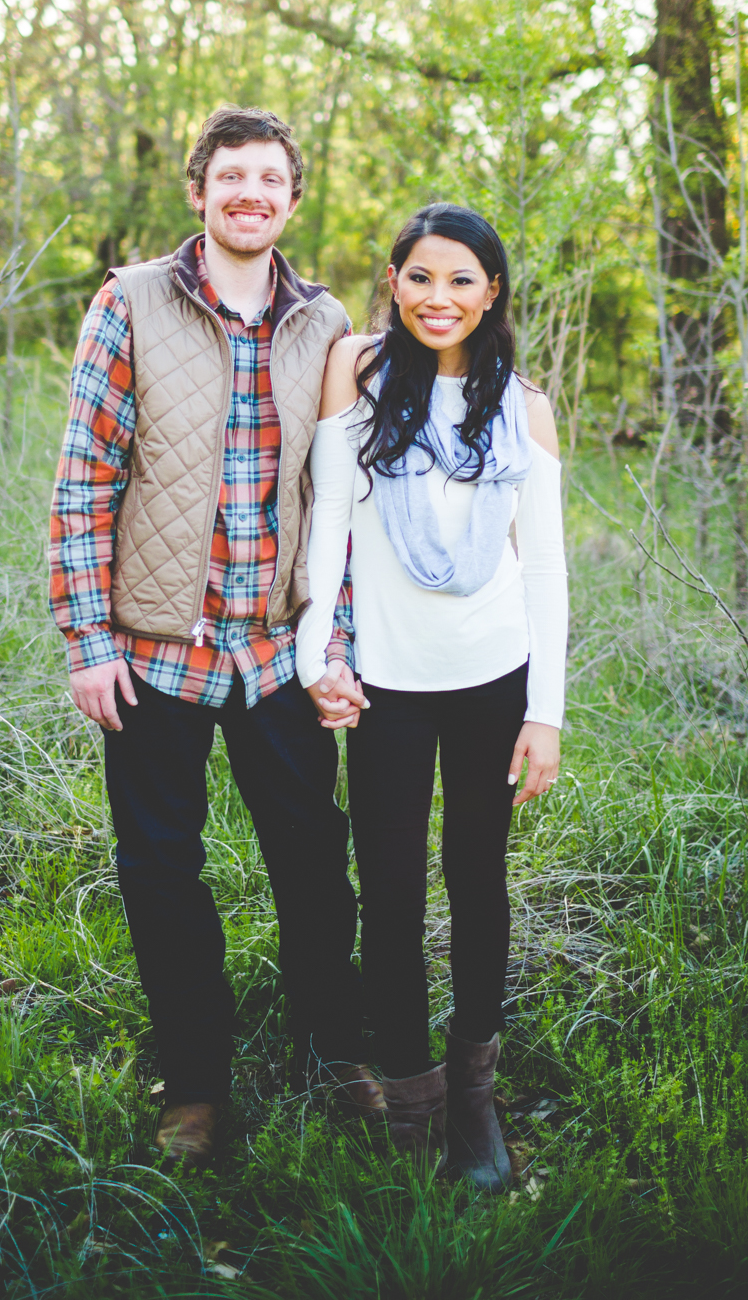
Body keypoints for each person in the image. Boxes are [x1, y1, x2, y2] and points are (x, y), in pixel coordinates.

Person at [47, 105, 384, 1168]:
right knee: (160, 869)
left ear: (292, 197)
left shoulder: (327, 326)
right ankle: (193, 1086)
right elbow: (83, 478)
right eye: (229, 175)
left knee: (315, 868)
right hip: (153, 653)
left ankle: (336, 1055)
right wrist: (86, 639)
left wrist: (340, 647)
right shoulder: (129, 302)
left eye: (269, 178)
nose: (249, 193)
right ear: (196, 191)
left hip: (278, 651)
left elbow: (350, 502)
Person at [294, 202, 567, 1194]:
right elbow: (327, 526)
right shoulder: (357, 376)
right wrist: (311, 654)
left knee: (477, 881)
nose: (437, 297)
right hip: (386, 689)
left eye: (460, 279)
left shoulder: (521, 406)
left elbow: (544, 571)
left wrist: (546, 712)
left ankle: (473, 1101)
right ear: (392, 283)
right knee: (392, 894)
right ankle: (408, 1097)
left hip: (492, 677)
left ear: (491, 291)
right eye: (418, 277)